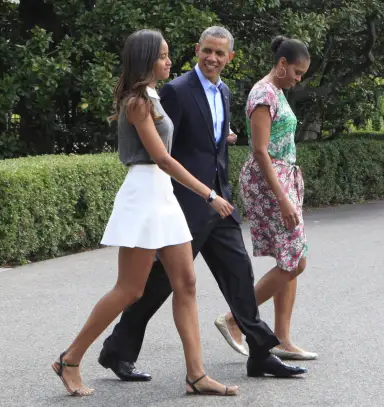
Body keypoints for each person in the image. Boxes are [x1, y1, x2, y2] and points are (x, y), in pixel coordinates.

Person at [97, 26, 308, 382]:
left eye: (220, 53)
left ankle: (260, 354)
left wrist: (221, 149)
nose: (212, 58)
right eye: (207, 50)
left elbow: (211, 145)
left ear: (230, 58)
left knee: (239, 276)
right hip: (186, 203)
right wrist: (198, 193)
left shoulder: (224, 91)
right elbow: (161, 148)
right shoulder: (176, 91)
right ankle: (117, 350)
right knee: (159, 284)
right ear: (197, 50)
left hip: (219, 200)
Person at [51, 29, 238, 397]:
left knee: (186, 283)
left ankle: (196, 375)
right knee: (130, 289)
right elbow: (163, 158)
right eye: (163, 55)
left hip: (161, 195)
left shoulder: (153, 95)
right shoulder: (138, 101)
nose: (170, 61)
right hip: (144, 194)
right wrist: (208, 193)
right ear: (146, 60)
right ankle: (70, 359)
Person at [217, 36, 317, 361]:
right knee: (295, 260)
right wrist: (284, 199)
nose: (299, 78)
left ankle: (282, 340)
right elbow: (260, 150)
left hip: (283, 178)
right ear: (282, 63)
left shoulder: (277, 92)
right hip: (270, 181)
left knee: (287, 260)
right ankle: (235, 318)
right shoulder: (263, 93)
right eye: (297, 72)